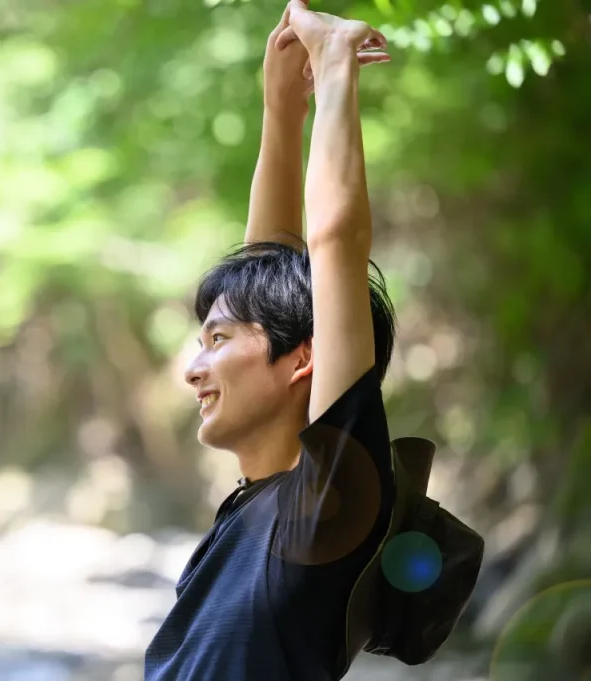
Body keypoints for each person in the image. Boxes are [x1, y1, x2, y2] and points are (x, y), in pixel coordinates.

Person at [144, 1, 400, 679]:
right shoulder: (254, 512)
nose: (193, 369)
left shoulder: (325, 510)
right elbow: (272, 279)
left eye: (217, 339)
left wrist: (337, 65)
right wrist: (281, 111)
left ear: (304, 358)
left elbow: (335, 246)